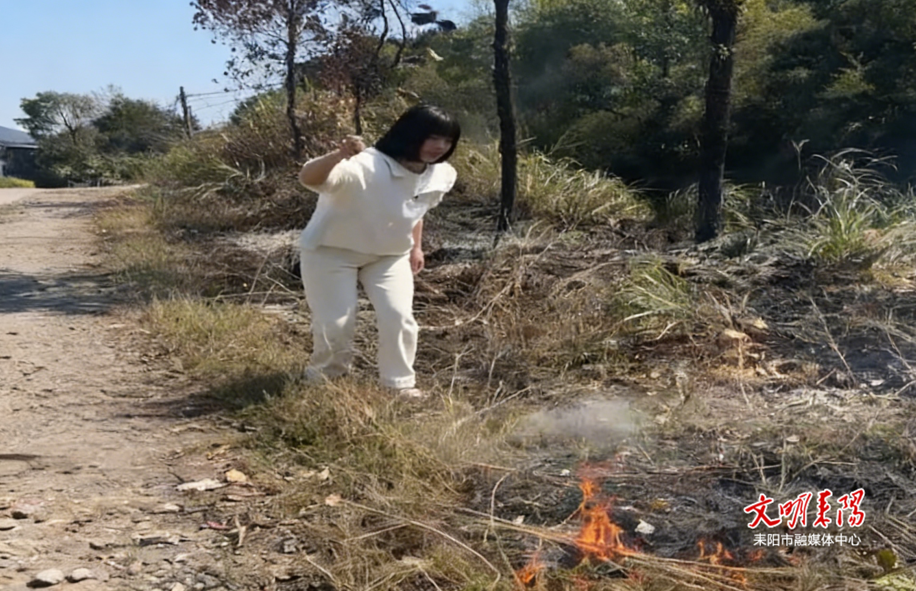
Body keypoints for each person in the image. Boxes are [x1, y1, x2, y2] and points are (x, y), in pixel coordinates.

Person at [297, 104, 461, 398]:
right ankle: (325, 380)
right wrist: (339, 156)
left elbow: (414, 208)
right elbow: (309, 178)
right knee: (336, 324)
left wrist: (416, 248)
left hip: (388, 255)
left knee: (399, 317)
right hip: (330, 251)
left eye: (447, 141)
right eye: (433, 137)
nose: (440, 147)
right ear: (410, 133)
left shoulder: (441, 174)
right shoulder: (366, 165)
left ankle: (399, 385)